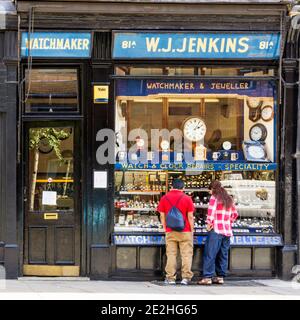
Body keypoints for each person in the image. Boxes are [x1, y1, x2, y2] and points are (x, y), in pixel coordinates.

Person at [198, 180, 238, 285]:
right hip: (227, 231)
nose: (209, 192)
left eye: (209, 190)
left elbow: (211, 213)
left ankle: (207, 277)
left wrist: (209, 224)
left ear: (213, 189)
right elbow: (235, 214)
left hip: (216, 230)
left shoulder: (214, 198)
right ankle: (220, 277)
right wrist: (228, 222)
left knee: (210, 253)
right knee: (223, 254)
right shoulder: (229, 198)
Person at [157, 178, 195, 285]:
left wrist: (165, 228)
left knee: (171, 254)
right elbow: (190, 217)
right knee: (186, 255)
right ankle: (186, 278)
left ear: (171, 187)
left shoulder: (165, 198)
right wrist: (191, 230)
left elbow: (162, 215)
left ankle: (170, 278)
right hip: (185, 230)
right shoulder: (187, 198)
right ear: (183, 188)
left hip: (170, 231)